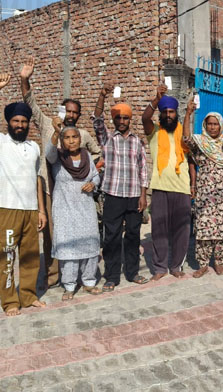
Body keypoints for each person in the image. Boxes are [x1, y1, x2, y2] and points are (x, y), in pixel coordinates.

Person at [20, 57, 101, 289]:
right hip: (49, 188)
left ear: (79, 115)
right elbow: (30, 103)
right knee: (52, 234)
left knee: (76, 232)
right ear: (62, 110)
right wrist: (24, 79)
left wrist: (92, 177)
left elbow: (97, 154)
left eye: (75, 112)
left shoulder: (82, 135)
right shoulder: (47, 124)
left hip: (75, 193)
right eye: (68, 111)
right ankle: (53, 275)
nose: (71, 115)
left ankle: (80, 274)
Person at [0, 73, 47, 316]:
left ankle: (28, 297)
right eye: (16, 121)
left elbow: (37, 179)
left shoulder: (34, 147)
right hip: (8, 210)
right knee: (7, 258)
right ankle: (9, 302)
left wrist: (41, 210)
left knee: (30, 258)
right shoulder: (0, 142)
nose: (20, 125)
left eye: (24, 121)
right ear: (9, 122)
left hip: (30, 211)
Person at [93, 84, 150, 292]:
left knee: (133, 235)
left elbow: (143, 169)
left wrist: (143, 195)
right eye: (119, 118)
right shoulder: (107, 139)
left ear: (130, 120)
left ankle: (132, 272)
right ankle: (112, 276)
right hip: (113, 195)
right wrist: (102, 95)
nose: (122, 121)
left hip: (134, 196)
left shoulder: (137, 142)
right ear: (114, 120)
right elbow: (97, 120)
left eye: (126, 118)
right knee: (112, 237)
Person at [47, 119, 101, 300]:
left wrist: (93, 184)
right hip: (65, 211)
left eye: (75, 137)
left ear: (80, 139)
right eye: (67, 138)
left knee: (90, 244)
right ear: (62, 141)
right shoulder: (58, 158)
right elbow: (48, 153)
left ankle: (89, 282)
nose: (71, 141)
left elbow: (95, 176)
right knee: (68, 248)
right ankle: (69, 285)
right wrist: (56, 133)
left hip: (86, 209)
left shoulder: (86, 156)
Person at [142, 85, 192, 281]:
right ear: (161, 114)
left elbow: (191, 158)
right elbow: (145, 118)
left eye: (171, 112)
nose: (169, 115)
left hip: (182, 188)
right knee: (159, 230)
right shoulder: (154, 132)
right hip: (160, 187)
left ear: (176, 113)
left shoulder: (183, 132)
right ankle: (160, 267)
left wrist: (193, 185)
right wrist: (156, 99)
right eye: (165, 112)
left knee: (182, 229)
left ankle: (176, 265)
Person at [182, 102, 223, 278]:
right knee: (204, 226)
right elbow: (186, 139)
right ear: (205, 125)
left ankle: (219, 262)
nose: (212, 127)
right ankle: (203, 264)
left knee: (222, 227)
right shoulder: (200, 142)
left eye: (215, 124)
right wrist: (188, 114)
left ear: (220, 125)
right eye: (209, 124)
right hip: (205, 191)